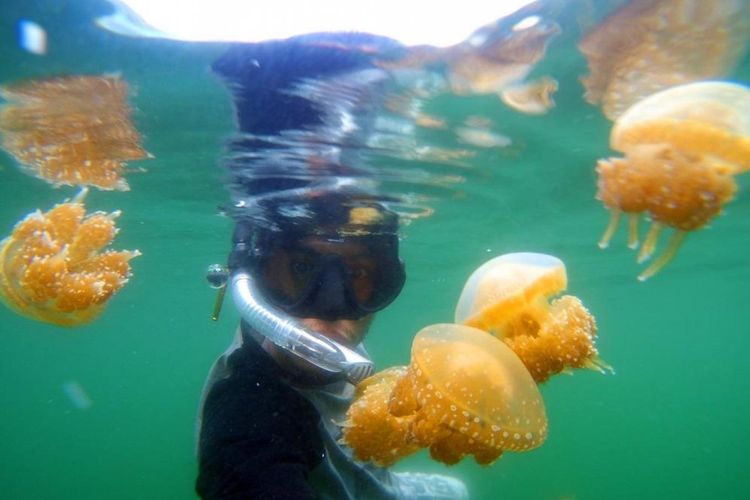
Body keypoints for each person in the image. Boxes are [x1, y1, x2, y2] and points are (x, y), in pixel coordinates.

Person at [195, 34, 468, 499]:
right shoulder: (250, 410)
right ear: (254, 275)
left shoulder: (339, 366)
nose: (332, 308)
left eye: (360, 275)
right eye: (301, 268)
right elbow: (247, 468)